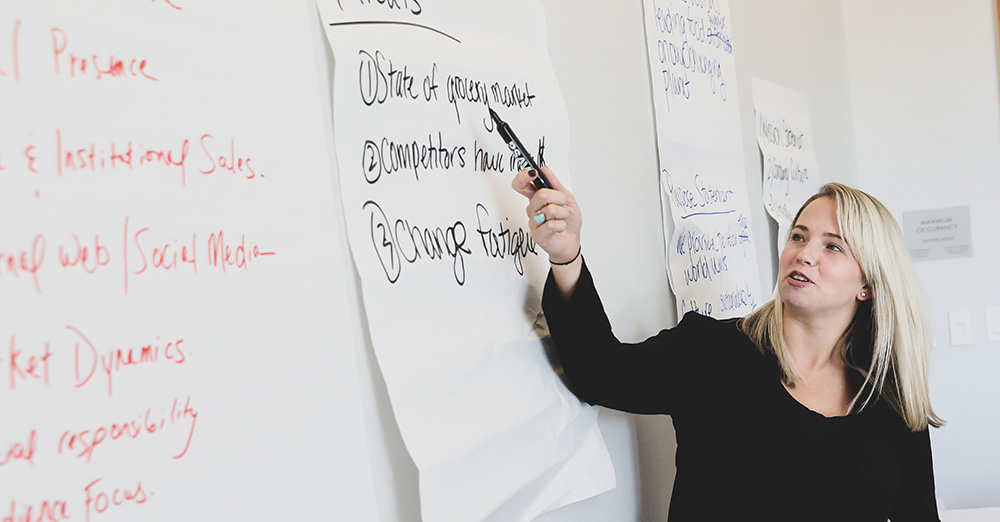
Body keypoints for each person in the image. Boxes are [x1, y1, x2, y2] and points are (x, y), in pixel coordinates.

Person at [512, 166, 943, 521]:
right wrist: (566, 256)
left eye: (833, 247)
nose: (804, 254)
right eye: (798, 235)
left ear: (867, 283)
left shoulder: (892, 400)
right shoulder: (712, 352)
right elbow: (600, 375)